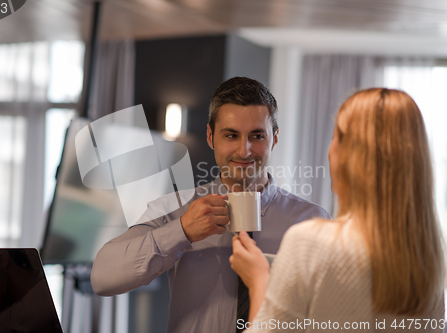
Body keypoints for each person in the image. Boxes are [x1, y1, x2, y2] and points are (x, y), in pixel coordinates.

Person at [91, 77, 330, 333]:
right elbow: (103, 278)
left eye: (257, 135)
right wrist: (181, 231)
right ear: (210, 136)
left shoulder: (312, 221)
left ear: (274, 138)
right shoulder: (173, 209)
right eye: (231, 135)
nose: (244, 150)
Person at [230, 88, 446, 332]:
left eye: (335, 136)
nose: (244, 150)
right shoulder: (428, 268)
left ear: (348, 155)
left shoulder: (310, 242)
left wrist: (259, 282)